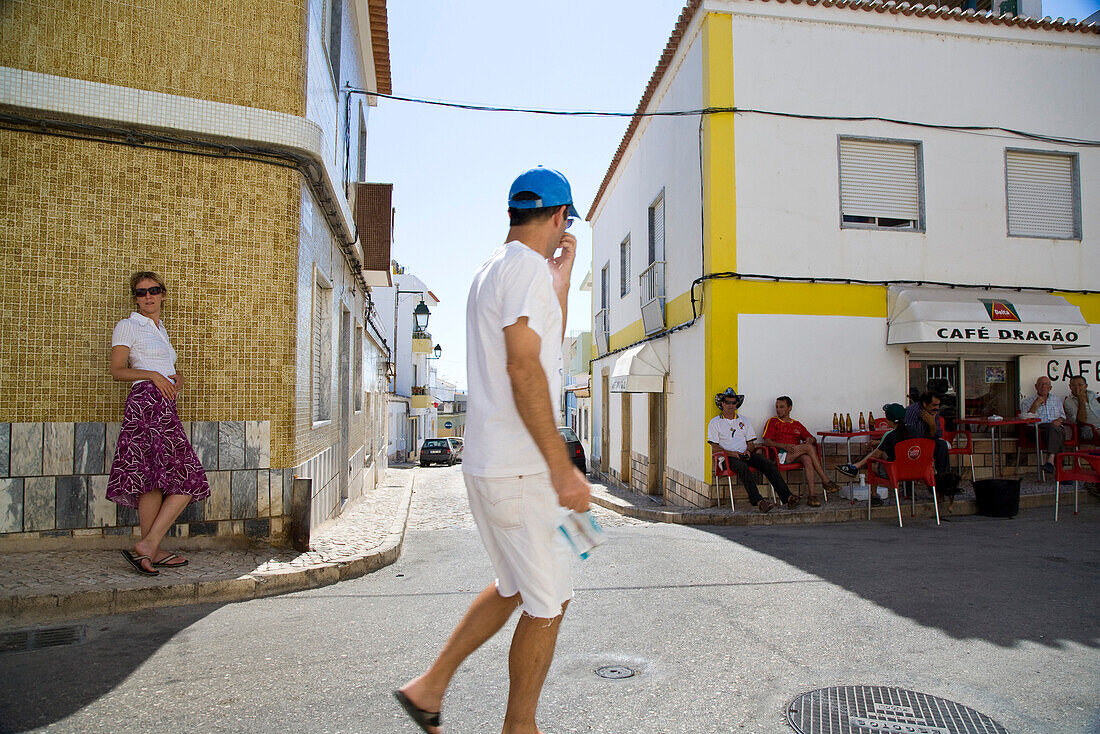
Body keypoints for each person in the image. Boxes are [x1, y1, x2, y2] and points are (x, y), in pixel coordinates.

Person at [395, 167, 591, 734]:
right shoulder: (526, 272)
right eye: (564, 225)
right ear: (558, 218)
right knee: (549, 602)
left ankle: (429, 688)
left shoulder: (494, 270)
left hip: (490, 466)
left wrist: (560, 277)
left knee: (517, 585)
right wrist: (563, 469)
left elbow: (541, 347)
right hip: (524, 471)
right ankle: (519, 727)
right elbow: (524, 365)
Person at [107, 272, 210, 575]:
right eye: (141, 293)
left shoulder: (160, 329)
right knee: (190, 477)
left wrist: (176, 377)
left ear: (163, 294)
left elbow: (161, 367)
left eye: (153, 291)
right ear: (135, 298)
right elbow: (117, 370)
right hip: (145, 403)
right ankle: (150, 544)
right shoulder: (128, 326)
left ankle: (149, 549)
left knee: (153, 479)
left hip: (163, 403)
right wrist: (152, 375)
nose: (147, 296)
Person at [707, 388, 802, 514]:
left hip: (744, 454)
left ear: (737, 404)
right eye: (728, 402)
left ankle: (788, 497)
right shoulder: (715, 422)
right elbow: (715, 447)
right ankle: (759, 502)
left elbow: (751, 444)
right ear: (722, 404)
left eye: (733, 403)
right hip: (726, 458)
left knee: (767, 463)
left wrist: (748, 451)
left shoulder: (744, 421)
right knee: (742, 468)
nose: (731, 405)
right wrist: (732, 454)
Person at [761, 396, 839, 507]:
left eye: (782, 407)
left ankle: (812, 496)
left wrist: (810, 439)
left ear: (789, 408)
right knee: (808, 448)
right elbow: (767, 442)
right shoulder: (773, 421)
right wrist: (783, 445)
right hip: (780, 455)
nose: (778, 410)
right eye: (777, 407)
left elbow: (812, 438)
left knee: (807, 458)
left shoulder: (797, 424)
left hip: (794, 453)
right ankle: (825, 480)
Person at [837, 403, 910, 506]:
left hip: (893, 472)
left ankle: (873, 495)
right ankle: (855, 467)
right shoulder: (914, 431)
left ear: (888, 420)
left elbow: (876, 455)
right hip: (913, 471)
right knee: (883, 453)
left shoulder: (890, 435)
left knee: (873, 463)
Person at [1022, 376, 1066, 474]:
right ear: (1036, 386)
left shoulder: (1056, 400)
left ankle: (1050, 461)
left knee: (1055, 429)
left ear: (1050, 388)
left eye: (1046, 384)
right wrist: (1035, 405)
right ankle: (1061, 471)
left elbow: (1063, 416)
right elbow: (1026, 421)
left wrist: (1059, 420)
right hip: (1037, 431)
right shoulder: (1027, 401)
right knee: (1057, 433)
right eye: (1041, 384)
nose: (1043, 386)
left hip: (1054, 428)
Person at [903, 391, 952, 476]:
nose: (937, 408)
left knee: (941, 445)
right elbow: (910, 435)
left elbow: (937, 436)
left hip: (925, 443)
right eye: (934, 405)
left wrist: (932, 424)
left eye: (938, 405)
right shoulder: (912, 411)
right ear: (925, 404)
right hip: (910, 445)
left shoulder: (934, 412)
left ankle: (944, 478)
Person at [1064, 376, 1100, 443]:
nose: (1077, 387)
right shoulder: (1069, 401)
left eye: (1080, 385)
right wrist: (1081, 400)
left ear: (1085, 386)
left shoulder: (1093, 394)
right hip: (1090, 430)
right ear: (1070, 387)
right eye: (1074, 385)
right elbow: (1081, 422)